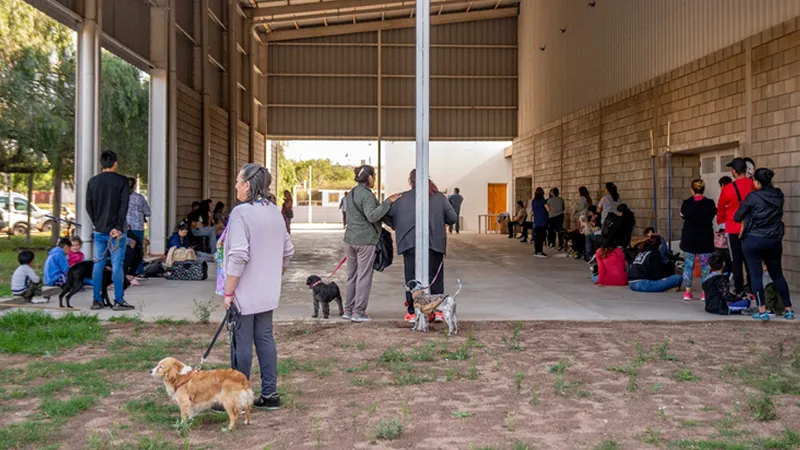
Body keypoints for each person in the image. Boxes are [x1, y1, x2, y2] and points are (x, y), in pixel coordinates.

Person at [221, 163, 294, 411]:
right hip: (267, 291)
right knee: (265, 338)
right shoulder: (274, 211)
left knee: (241, 341)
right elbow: (288, 250)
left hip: (245, 291)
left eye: (238, 182)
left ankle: (238, 397)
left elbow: (239, 255)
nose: (235, 186)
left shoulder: (241, 213)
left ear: (247, 185)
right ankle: (270, 394)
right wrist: (275, 274)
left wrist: (229, 291)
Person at [387, 169, 455, 323]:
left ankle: (412, 312)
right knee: (435, 277)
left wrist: (397, 225)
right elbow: (452, 218)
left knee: (412, 278)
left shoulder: (400, 198)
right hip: (435, 243)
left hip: (409, 242)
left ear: (411, 181)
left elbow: (386, 215)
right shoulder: (440, 197)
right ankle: (438, 311)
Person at [734, 168, 794, 321]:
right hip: (774, 240)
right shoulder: (778, 195)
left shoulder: (752, 197)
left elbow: (737, 216)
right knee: (777, 274)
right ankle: (788, 309)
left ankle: (762, 311)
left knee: (756, 275)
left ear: (757, 182)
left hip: (753, 239)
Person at [344, 165, 400, 323]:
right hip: (365, 241)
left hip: (350, 240)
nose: (375, 179)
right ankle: (358, 312)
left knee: (352, 276)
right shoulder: (367, 195)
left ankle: (348, 310)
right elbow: (372, 216)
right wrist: (388, 201)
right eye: (374, 176)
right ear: (369, 177)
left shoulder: (352, 192)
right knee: (364, 277)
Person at [86, 150, 132, 310]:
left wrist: (97, 223)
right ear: (115, 163)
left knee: (98, 264)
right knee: (117, 265)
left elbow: (88, 206)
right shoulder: (122, 181)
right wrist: (118, 227)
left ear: (101, 163)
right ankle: (118, 300)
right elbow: (124, 206)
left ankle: (96, 300)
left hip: (99, 230)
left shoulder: (92, 182)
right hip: (117, 231)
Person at [717, 157, 755, 296]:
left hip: (734, 228)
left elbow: (721, 208)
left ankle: (739, 291)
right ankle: (753, 290)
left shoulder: (728, 188)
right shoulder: (753, 185)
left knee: (736, 262)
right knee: (751, 261)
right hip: (751, 228)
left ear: (733, 171)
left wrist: (722, 222)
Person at [679, 179, 717, 302]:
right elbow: (713, 215)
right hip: (705, 238)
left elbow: (682, 215)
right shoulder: (710, 203)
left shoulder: (686, 203)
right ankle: (704, 293)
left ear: (692, 190)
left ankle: (687, 292)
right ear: (703, 189)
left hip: (689, 238)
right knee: (705, 267)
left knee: (688, 266)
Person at [126, 177, 150, 262]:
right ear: (134, 186)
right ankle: (138, 267)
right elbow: (148, 212)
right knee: (138, 249)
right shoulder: (140, 198)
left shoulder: (120, 197)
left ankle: (127, 266)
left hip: (124, 226)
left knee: (126, 248)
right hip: (137, 226)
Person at [531, 187, 549, 257]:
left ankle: (536, 251)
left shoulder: (533, 201)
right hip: (542, 220)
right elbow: (548, 209)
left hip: (536, 221)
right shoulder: (543, 201)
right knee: (541, 237)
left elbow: (533, 210)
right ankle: (540, 251)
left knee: (537, 237)